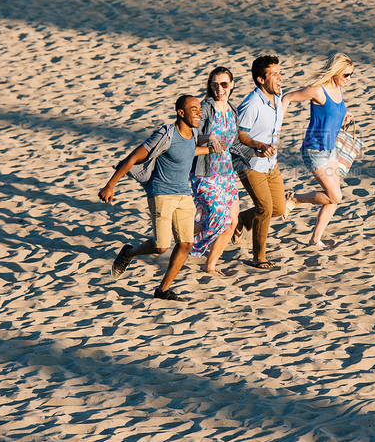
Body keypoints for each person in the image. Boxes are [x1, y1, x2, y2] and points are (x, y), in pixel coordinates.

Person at [98, 95, 212, 301]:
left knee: (186, 244)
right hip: (161, 193)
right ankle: (128, 253)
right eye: (193, 108)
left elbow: (187, 152)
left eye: (199, 108)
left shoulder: (193, 133)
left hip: (184, 195)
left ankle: (163, 290)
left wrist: (211, 149)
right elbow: (133, 157)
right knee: (161, 247)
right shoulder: (165, 134)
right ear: (181, 113)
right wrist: (110, 185)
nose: (198, 111)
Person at [282, 52, 355, 248]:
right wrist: (276, 125)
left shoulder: (338, 91)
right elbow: (287, 98)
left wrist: (344, 116)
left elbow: (332, 114)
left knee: (333, 198)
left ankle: (315, 239)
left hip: (330, 149)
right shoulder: (318, 91)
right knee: (335, 196)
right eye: (346, 75)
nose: (349, 79)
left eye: (351, 75)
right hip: (314, 149)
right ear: (337, 72)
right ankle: (295, 199)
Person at [231, 55, 288, 270]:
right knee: (264, 208)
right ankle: (258, 257)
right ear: (260, 80)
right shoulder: (251, 104)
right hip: (250, 164)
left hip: (271, 164)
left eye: (279, 73)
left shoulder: (277, 95)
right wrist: (259, 146)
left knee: (279, 208)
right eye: (274, 74)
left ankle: (243, 219)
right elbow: (239, 136)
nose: (279, 78)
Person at [190, 67, 240, 276]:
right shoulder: (205, 108)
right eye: (215, 85)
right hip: (205, 173)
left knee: (233, 222)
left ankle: (210, 265)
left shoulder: (232, 110)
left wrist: (257, 149)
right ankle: (188, 247)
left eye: (224, 84)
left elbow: (234, 142)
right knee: (220, 217)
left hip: (226, 173)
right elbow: (191, 138)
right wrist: (208, 138)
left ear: (232, 85)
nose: (219, 89)